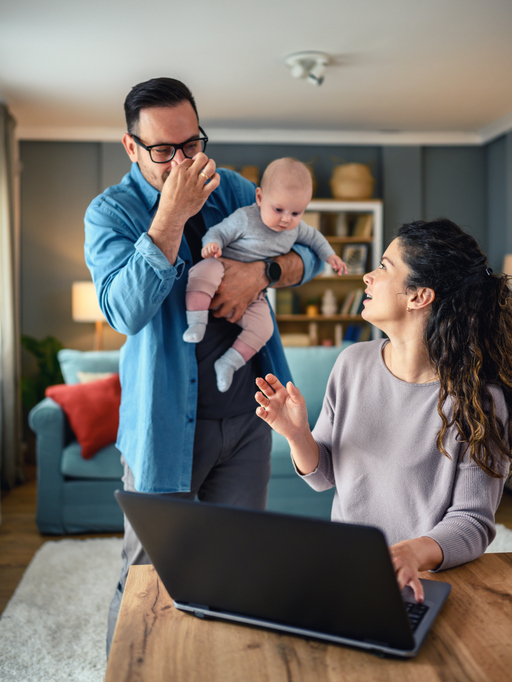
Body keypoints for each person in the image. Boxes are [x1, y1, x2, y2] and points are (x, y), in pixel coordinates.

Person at [83, 77, 324, 655]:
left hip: (248, 420)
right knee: (149, 576)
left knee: (239, 566)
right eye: (163, 150)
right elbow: (124, 310)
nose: (183, 161)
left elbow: (310, 253)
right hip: (163, 430)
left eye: (191, 144)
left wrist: (263, 273)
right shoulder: (109, 213)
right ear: (131, 147)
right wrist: (170, 217)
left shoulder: (235, 188)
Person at [255, 218, 512, 603]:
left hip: (424, 584)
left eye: (385, 267)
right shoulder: (351, 364)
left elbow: (471, 522)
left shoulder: (479, 399)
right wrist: (297, 435)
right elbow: (324, 475)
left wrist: (410, 553)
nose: (368, 278)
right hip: (347, 571)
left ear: (418, 297)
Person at [183, 157, 347, 392]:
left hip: (255, 291)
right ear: (259, 198)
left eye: (296, 213)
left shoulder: (295, 228)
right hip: (223, 264)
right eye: (278, 209)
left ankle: (228, 362)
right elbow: (217, 232)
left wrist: (332, 257)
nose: (285, 219)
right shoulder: (246, 218)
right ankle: (196, 324)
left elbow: (315, 239)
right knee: (202, 273)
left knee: (264, 328)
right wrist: (212, 245)